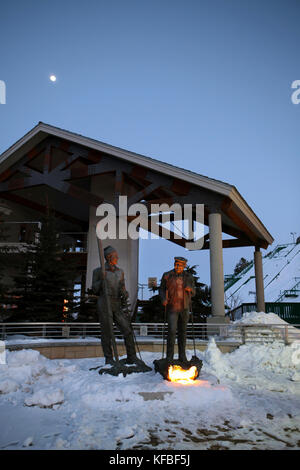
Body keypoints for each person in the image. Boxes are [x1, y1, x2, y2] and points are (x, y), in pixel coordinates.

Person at [92, 245, 138, 365]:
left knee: (127, 330)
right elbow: (95, 290)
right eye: (115, 256)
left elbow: (122, 287)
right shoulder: (98, 271)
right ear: (108, 257)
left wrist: (125, 293)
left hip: (116, 303)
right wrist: (101, 280)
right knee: (107, 332)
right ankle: (109, 358)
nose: (117, 258)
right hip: (104, 303)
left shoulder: (120, 272)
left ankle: (131, 356)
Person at [159, 256, 195, 363]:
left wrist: (191, 290)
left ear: (184, 266)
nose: (177, 266)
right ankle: (169, 357)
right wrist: (163, 298)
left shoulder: (189, 277)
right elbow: (161, 289)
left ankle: (182, 356)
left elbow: (194, 292)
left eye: (180, 265)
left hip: (184, 308)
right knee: (171, 331)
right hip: (172, 307)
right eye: (176, 264)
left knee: (183, 332)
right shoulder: (167, 275)